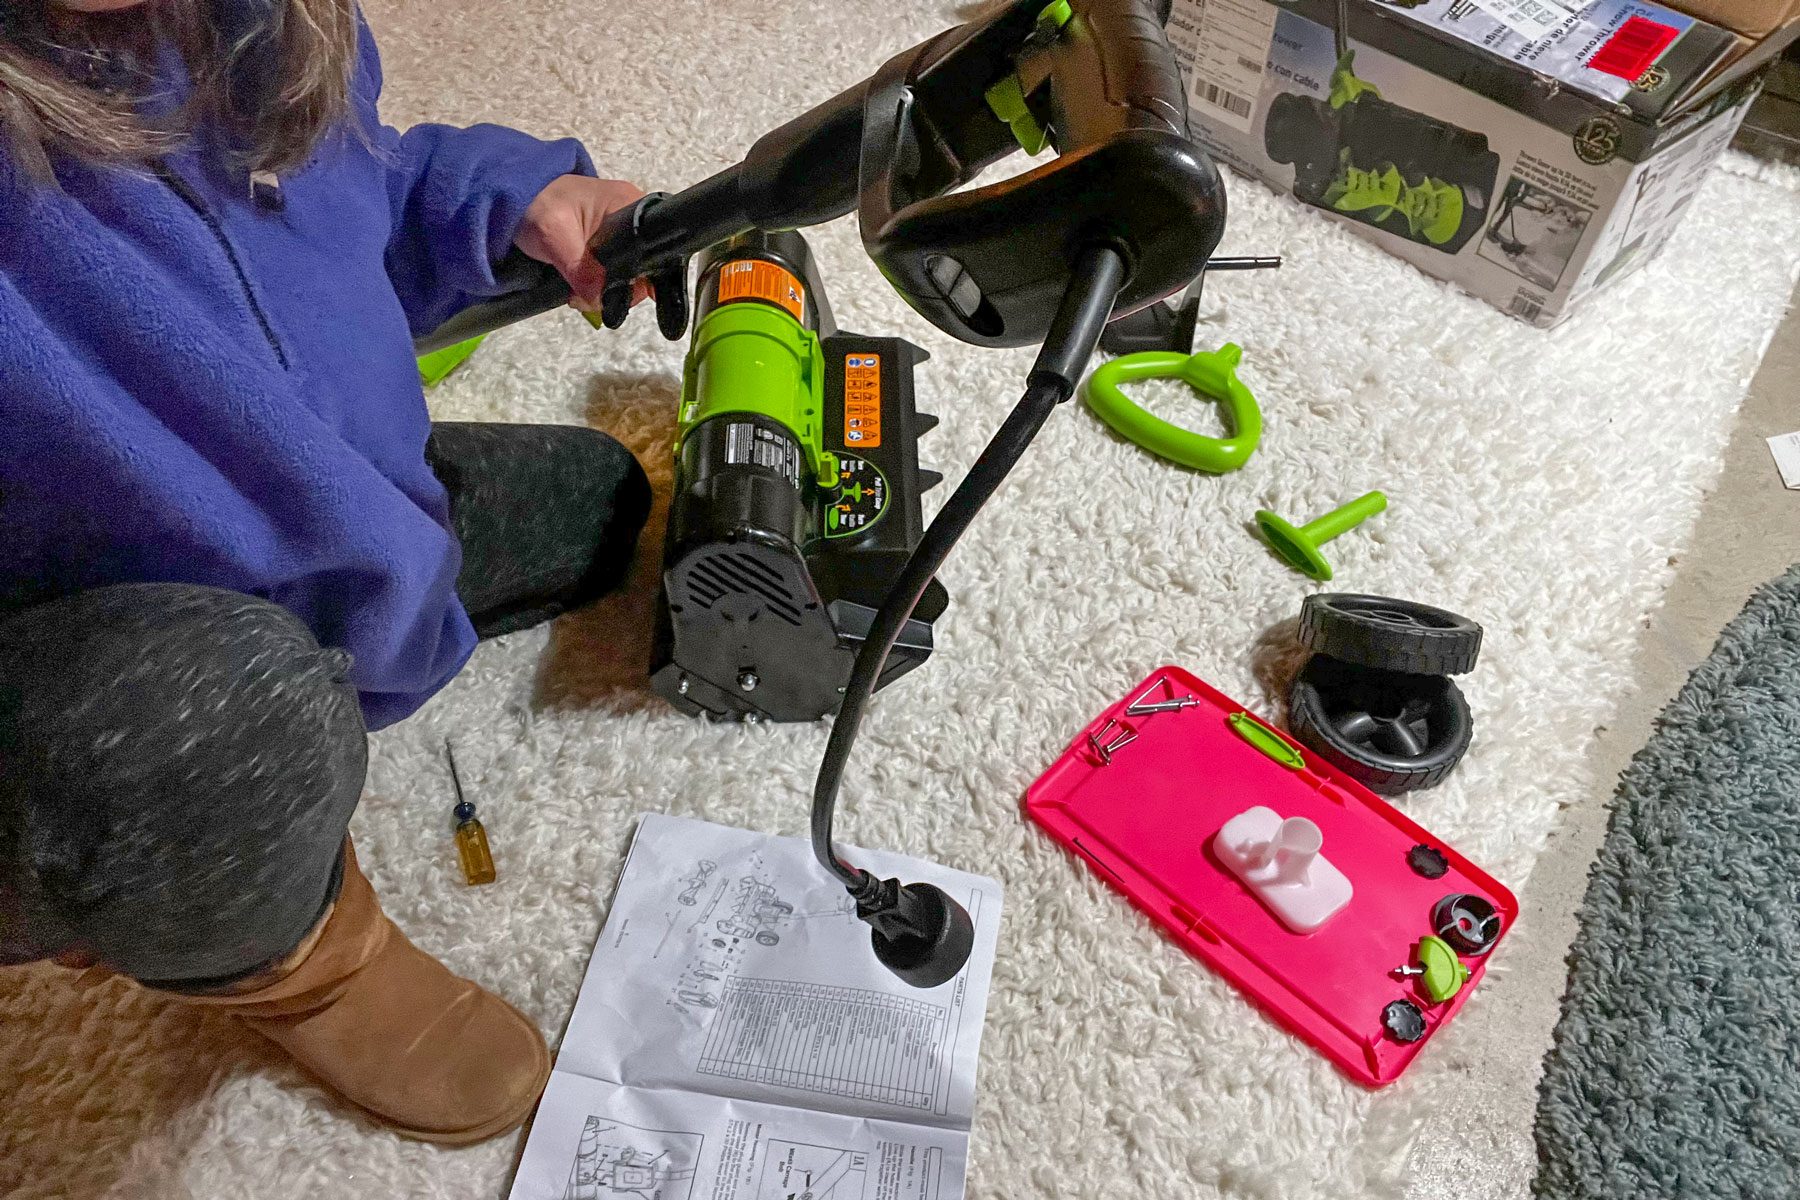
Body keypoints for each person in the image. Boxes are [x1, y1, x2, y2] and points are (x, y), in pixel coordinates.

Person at [0, 0, 655, 1145]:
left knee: (605, 503)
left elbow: (345, 211)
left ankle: (333, 587)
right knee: (200, 729)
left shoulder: (248, 18)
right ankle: (298, 960)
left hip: (277, 502)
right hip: (96, 659)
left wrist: (494, 201)